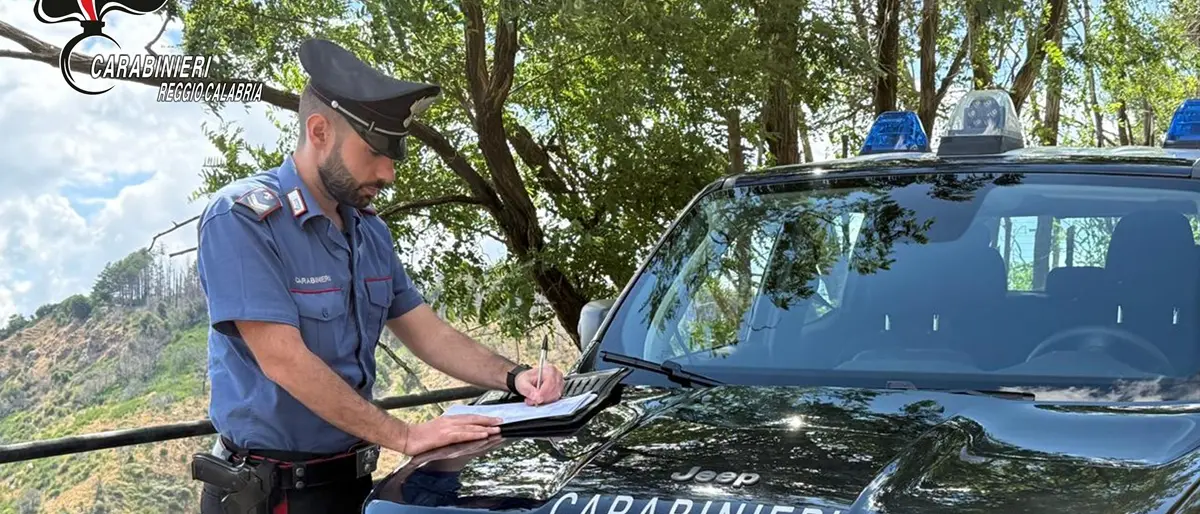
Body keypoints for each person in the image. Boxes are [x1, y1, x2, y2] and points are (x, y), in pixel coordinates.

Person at [192, 38, 566, 514]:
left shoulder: (369, 232)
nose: (389, 172)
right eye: (374, 151)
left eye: (395, 154)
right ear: (320, 130)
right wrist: (404, 435)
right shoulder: (244, 218)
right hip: (271, 495)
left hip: (354, 484)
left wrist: (515, 377)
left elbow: (427, 332)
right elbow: (282, 359)